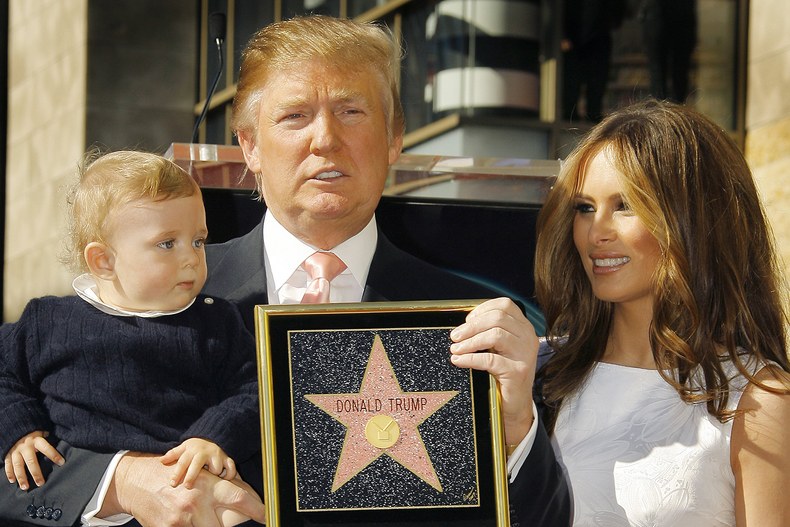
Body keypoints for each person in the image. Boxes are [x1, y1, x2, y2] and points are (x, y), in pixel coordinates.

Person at [0, 15, 570, 527]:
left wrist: (516, 430)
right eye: (295, 116)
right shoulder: (138, 292)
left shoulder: (472, 324)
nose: (326, 139)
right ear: (248, 145)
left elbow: (547, 520)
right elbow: (17, 467)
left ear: (394, 138)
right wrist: (120, 483)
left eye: (351, 111)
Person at [532, 99, 790, 525]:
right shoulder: (544, 375)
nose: (597, 232)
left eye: (625, 205)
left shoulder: (759, 399)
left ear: (693, 218)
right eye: (584, 208)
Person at [0, 151, 263, 526]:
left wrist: (213, 437)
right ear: (103, 261)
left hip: (188, 499)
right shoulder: (48, 321)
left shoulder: (215, 322)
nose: (191, 257)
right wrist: (19, 428)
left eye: (199, 241)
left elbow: (253, 391)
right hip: (78, 503)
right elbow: (4, 372)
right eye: (167, 243)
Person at [561, 0, 628, 122]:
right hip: (574, 38)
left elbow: (618, 10)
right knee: (572, 88)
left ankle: (589, 118)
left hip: (597, 37)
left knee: (595, 88)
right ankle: (572, 117)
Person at [639, 0, 697, 102]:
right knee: (677, 72)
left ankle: (663, 111)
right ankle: (671, 111)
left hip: (659, 15)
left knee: (660, 73)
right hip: (679, 15)